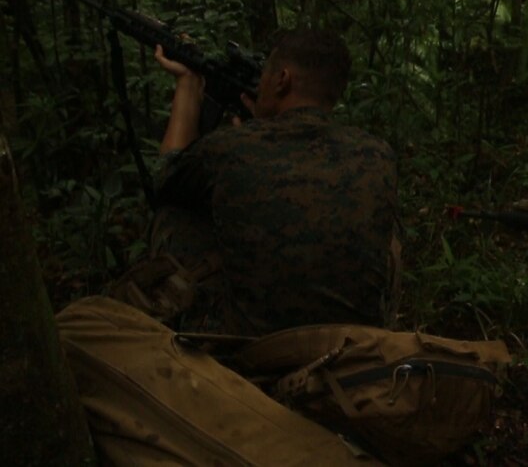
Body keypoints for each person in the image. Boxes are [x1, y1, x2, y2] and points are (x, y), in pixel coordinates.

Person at [122, 28, 401, 336]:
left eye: (265, 74)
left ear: (282, 79)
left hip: (255, 343)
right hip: (354, 341)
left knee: (173, 213)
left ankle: (185, 331)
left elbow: (165, 179)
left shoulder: (230, 148)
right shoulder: (378, 153)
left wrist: (188, 86)